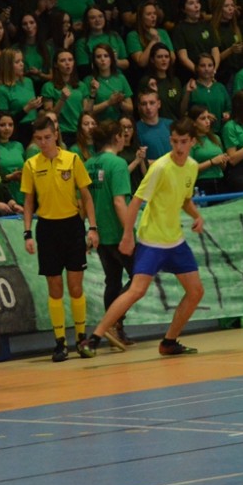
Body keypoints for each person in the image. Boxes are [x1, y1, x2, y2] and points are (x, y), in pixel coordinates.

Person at [78, 117, 205, 358]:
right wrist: (128, 235)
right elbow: (135, 201)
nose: (178, 147)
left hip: (175, 240)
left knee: (196, 291)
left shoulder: (192, 166)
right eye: (174, 141)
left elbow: (185, 199)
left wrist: (197, 215)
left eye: (183, 142)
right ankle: (94, 338)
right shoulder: (160, 167)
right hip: (152, 240)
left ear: (193, 142)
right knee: (136, 290)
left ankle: (169, 342)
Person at [20, 115, 99, 362]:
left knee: (75, 287)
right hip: (47, 229)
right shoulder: (31, 165)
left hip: (72, 227)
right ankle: (60, 343)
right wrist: (27, 233)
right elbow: (28, 202)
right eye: (39, 139)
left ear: (56, 135)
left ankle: (82, 339)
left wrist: (92, 228)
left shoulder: (73, 159)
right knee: (55, 288)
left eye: (47, 137)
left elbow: (86, 196)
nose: (43, 143)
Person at [84, 120, 136, 344]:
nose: (125, 137)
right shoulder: (118, 163)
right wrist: (128, 232)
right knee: (139, 279)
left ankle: (114, 329)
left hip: (99, 233)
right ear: (116, 137)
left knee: (113, 281)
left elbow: (83, 201)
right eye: (122, 133)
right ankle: (113, 322)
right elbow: (119, 201)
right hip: (118, 232)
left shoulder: (88, 164)